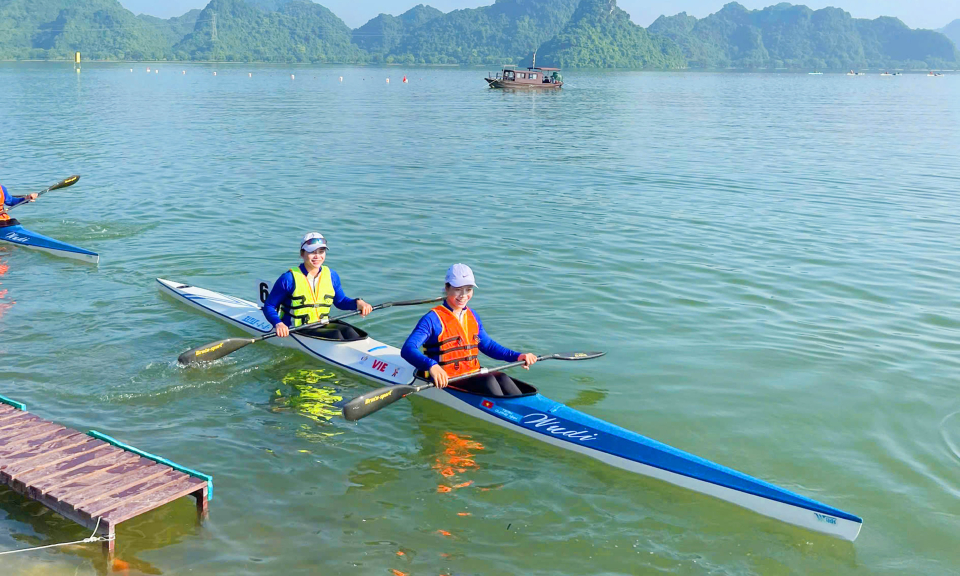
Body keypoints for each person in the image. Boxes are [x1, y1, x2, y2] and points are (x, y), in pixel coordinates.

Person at [401, 263, 537, 397]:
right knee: (489, 380)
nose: (463, 295)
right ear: (447, 288)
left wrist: (517, 356)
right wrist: (431, 366)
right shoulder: (432, 319)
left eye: (468, 289)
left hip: (472, 374)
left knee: (502, 378)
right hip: (446, 379)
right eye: (458, 289)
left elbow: (488, 345)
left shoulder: (472, 316)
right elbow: (408, 349)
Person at [262, 232, 373, 341]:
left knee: (351, 333)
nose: (317, 256)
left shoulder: (332, 275)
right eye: (312, 252)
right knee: (336, 334)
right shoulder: (288, 279)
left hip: (322, 324)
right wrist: (278, 324)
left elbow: (341, 302)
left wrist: (358, 303)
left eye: (321, 252)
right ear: (302, 254)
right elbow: (269, 306)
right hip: (296, 328)